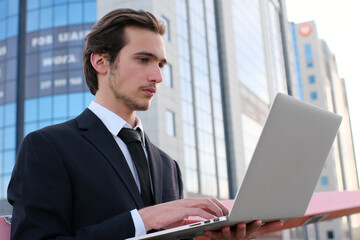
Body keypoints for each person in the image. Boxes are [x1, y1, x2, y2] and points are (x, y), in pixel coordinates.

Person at [7, 8, 282, 240]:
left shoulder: (168, 165)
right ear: (101, 61)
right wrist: (145, 219)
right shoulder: (47, 146)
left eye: (160, 63)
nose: (157, 76)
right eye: (143, 59)